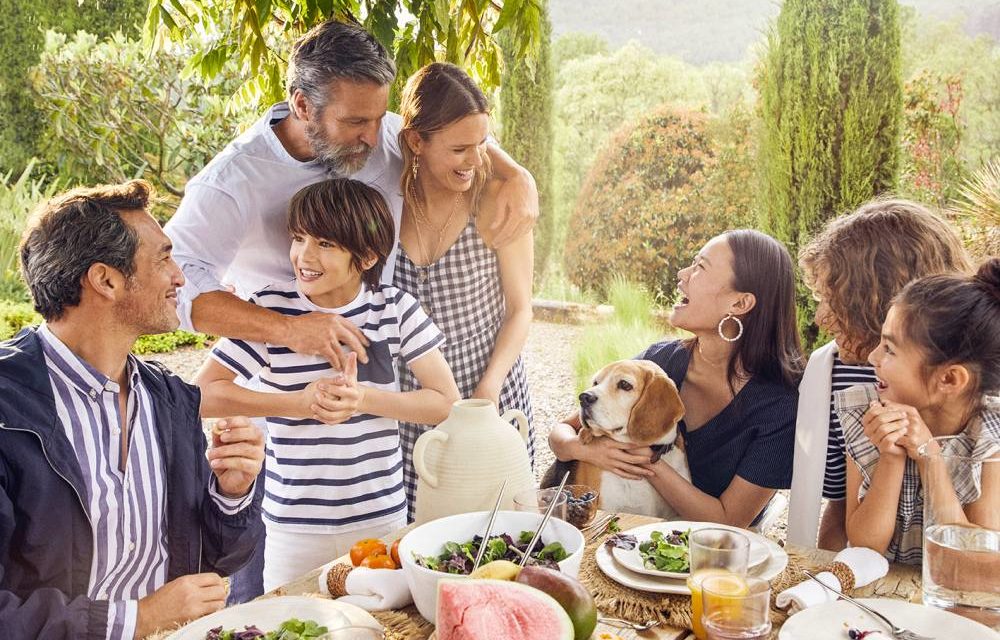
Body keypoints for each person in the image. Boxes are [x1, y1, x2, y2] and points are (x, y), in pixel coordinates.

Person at [165, 20, 538, 370]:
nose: (374, 138)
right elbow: (170, 283)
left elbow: (458, 141)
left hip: (380, 389)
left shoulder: (388, 136)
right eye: (355, 122)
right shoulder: (231, 182)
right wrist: (288, 329)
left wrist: (518, 175)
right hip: (285, 395)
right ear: (302, 105)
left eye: (378, 117)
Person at [0, 180, 264, 639]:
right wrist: (137, 619)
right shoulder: (7, 409)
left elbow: (219, 561)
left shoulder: (170, 399)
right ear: (106, 280)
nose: (180, 277)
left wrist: (232, 494)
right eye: (163, 258)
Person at [195, 178, 460, 589]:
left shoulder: (393, 309)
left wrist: (364, 399)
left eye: (325, 243)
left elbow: (445, 402)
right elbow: (203, 395)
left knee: (379, 629)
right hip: (292, 527)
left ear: (368, 255)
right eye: (298, 238)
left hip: (379, 517)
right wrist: (296, 404)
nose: (303, 255)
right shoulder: (271, 309)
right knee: (294, 627)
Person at [549, 230, 803, 527]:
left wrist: (647, 458)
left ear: (739, 304)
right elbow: (561, 432)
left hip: (707, 549)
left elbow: (729, 521)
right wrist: (584, 449)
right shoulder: (661, 361)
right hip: (636, 531)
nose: (682, 274)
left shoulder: (780, 403)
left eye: (700, 267)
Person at [394, 62, 536, 521]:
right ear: (417, 141)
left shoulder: (497, 201)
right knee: (422, 548)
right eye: (459, 149)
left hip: (489, 403)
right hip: (412, 415)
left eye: (482, 144)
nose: (476, 161)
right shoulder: (386, 199)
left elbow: (520, 310)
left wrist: (488, 389)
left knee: (501, 541)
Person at [788, 199, 972, 550]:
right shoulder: (835, 374)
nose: (820, 317)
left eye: (835, 300)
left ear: (878, 301)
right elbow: (841, 511)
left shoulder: (978, 391)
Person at [838, 259, 1000, 565]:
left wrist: (930, 457)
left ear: (950, 379)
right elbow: (864, 546)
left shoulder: (989, 437)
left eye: (889, 349)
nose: (873, 357)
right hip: (884, 595)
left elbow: (973, 564)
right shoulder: (868, 412)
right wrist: (891, 456)